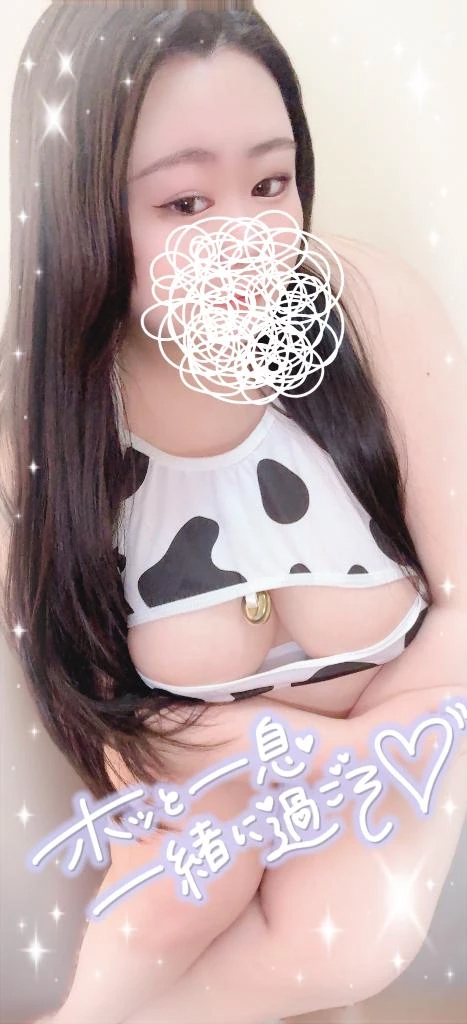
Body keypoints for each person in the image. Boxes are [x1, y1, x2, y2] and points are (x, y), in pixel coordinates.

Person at [1, 2, 466, 1023]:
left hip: (409, 742)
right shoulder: (48, 414)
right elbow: (99, 711)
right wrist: (284, 756)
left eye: (269, 184)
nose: (246, 242)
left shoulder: (369, 308)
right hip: (210, 783)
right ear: (80, 210)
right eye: (183, 203)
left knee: (345, 927)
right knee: (168, 905)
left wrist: (342, 755)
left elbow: (463, 606)